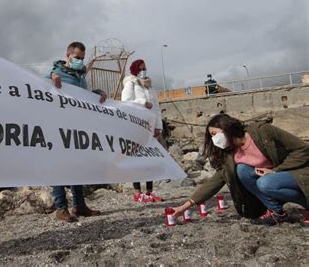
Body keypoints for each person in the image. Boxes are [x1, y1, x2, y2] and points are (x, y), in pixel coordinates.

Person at [172, 113, 308, 225]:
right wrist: (185, 206)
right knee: (242, 170)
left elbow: (302, 149)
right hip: (273, 179)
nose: (214, 139)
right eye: (211, 136)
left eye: (214, 134)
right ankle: (277, 212)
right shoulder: (230, 154)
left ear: (226, 128)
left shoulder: (262, 131)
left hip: (296, 173)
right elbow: (214, 182)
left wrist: (276, 170)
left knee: (265, 183)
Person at [46, 41, 106, 222]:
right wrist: (52, 78)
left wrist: (98, 93)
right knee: (60, 166)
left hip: (76, 126)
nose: (80, 61)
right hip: (58, 125)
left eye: (82, 58)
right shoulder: (57, 72)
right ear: (68, 56)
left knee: (77, 165)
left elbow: (82, 96)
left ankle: (79, 205)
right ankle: (61, 208)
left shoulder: (80, 77)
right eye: (76, 57)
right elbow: (41, 86)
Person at [121, 59, 164, 203]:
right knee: (137, 159)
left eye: (145, 68)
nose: (143, 71)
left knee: (150, 158)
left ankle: (150, 192)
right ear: (134, 70)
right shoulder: (130, 83)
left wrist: (158, 126)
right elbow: (125, 102)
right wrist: (142, 103)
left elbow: (156, 107)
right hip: (136, 126)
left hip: (150, 127)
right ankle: (138, 192)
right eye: (140, 68)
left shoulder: (149, 86)